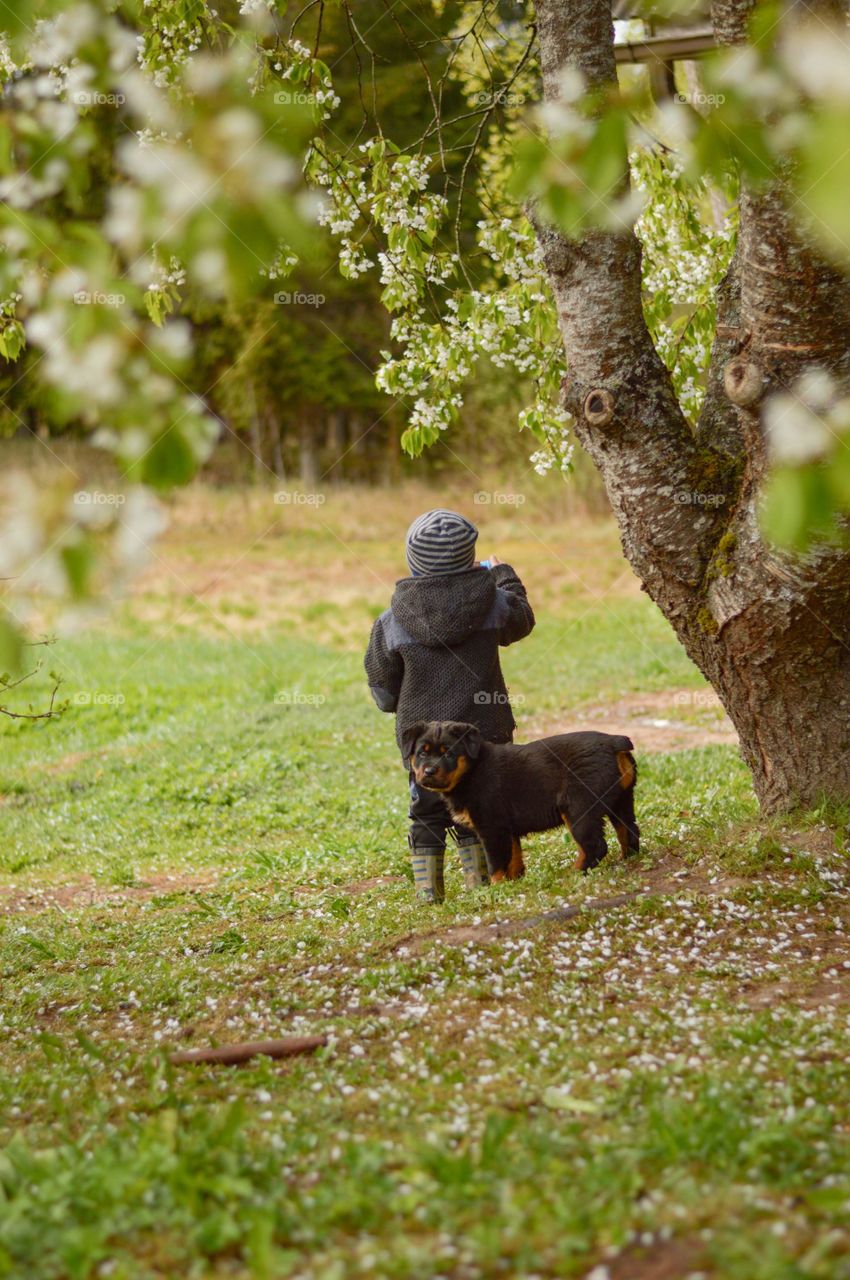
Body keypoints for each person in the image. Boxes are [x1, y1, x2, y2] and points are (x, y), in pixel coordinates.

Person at [364, 507, 535, 903]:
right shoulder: (493, 603)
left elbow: (384, 692)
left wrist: (399, 707)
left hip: (422, 743)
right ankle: (480, 884)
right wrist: (503, 573)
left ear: (412, 558)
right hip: (485, 739)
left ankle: (429, 894)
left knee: (426, 812)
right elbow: (523, 620)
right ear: (470, 557)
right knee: (483, 809)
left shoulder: (391, 621)